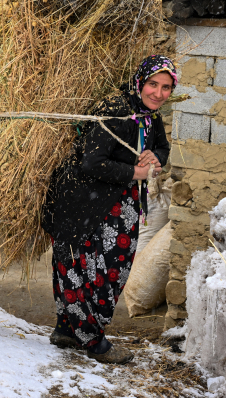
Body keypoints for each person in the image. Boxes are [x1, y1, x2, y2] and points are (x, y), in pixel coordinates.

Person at [41, 55, 177, 364]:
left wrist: (154, 159)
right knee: (84, 269)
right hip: (83, 203)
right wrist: (134, 173)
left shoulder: (149, 116)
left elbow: (163, 149)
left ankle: (67, 328)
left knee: (112, 269)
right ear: (140, 82)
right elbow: (91, 161)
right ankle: (93, 342)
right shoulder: (115, 112)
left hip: (118, 204)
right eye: (153, 84)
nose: (158, 93)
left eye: (166, 87)